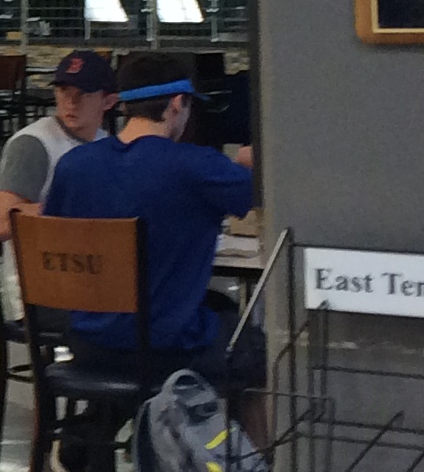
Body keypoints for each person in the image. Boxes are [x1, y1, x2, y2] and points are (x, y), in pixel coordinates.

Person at [38, 50, 260, 396]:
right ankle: (224, 432)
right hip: (169, 345)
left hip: (87, 339)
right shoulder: (199, 166)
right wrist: (250, 162)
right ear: (177, 103)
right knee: (260, 350)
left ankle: (106, 421)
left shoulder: (74, 165)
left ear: (124, 104)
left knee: (219, 309)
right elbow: (260, 199)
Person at [0, 48, 119, 241]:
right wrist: (66, 211)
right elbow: (3, 224)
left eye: (83, 94)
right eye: (64, 91)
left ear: (109, 101)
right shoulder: (33, 144)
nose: (71, 102)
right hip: (40, 257)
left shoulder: (106, 142)